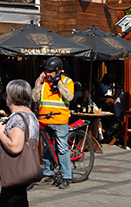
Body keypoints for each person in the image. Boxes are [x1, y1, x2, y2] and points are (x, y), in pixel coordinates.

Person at [0, 79, 40, 207]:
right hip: (22, 170)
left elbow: (15, 147)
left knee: (14, 200)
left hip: (15, 171)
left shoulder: (18, 118)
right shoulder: (31, 115)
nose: (5, 97)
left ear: (13, 96)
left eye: (7, 94)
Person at [32, 56, 74, 187]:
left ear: (58, 71)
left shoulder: (67, 81)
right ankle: (48, 174)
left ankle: (67, 176)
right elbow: (34, 98)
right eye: (47, 71)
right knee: (46, 148)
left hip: (60, 119)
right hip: (45, 120)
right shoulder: (43, 82)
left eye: (51, 72)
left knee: (62, 148)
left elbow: (69, 97)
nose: (48, 74)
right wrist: (38, 83)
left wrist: (59, 83)